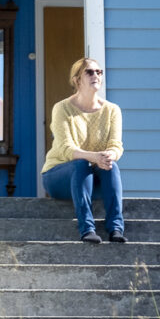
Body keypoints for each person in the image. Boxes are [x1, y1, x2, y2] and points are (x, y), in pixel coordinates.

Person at [41, 56, 126, 244]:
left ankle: (116, 228)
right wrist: (94, 157)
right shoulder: (62, 108)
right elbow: (65, 149)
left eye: (99, 72)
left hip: (92, 182)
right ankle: (87, 229)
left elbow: (116, 145)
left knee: (112, 166)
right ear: (77, 80)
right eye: (89, 72)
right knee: (80, 164)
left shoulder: (112, 110)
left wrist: (108, 156)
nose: (95, 75)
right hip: (59, 177)